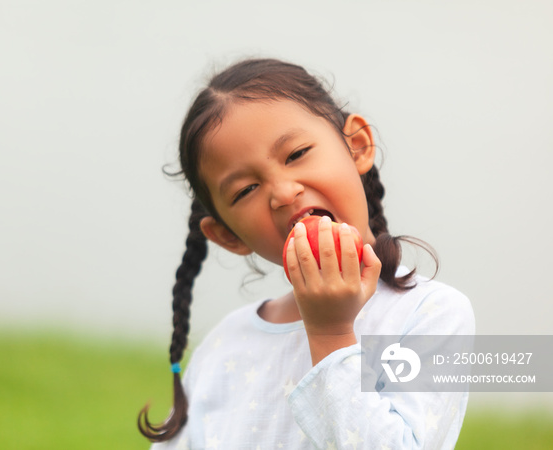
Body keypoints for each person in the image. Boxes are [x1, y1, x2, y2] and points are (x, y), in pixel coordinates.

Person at [138, 58, 475, 449]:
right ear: (228, 235)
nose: (283, 192)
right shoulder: (223, 346)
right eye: (246, 190)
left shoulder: (429, 315)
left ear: (357, 146)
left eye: (296, 154)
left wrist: (330, 334)